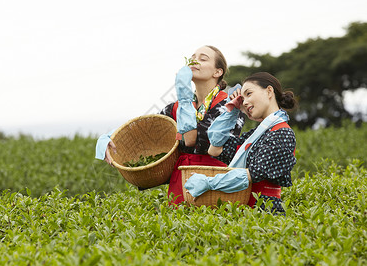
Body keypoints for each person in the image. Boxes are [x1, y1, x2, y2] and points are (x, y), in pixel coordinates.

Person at [95, 45, 244, 204]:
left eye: (203, 58)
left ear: (217, 72)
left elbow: (196, 141)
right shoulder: (176, 107)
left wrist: (184, 98)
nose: (194, 60)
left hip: (213, 181)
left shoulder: (230, 105)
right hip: (180, 182)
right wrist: (110, 137)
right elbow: (146, 129)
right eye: (193, 57)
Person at [184, 72, 297, 214]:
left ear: (269, 91)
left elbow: (253, 174)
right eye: (242, 99)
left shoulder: (282, 133)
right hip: (243, 207)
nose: (244, 102)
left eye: (249, 94)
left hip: (264, 209)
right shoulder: (256, 135)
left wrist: (209, 183)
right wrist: (231, 110)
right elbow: (215, 148)